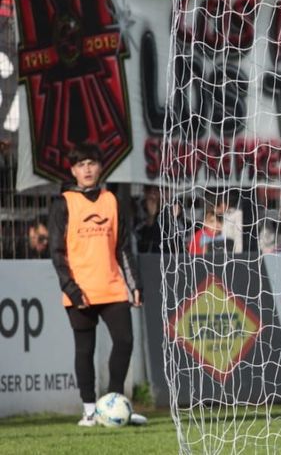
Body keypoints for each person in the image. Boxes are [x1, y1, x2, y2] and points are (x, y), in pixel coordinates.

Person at [48, 143, 147, 426]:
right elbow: (57, 253)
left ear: (100, 167)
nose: (87, 169)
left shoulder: (112, 201)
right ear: (73, 170)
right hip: (80, 291)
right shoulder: (63, 203)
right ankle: (90, 410)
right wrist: (71, 289)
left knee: (124, 341)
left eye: (92, 163)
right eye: (81, 165)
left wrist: (134, 283)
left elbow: (124, 248)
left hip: (112, 286)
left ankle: (113, 405)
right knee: (85, 350)